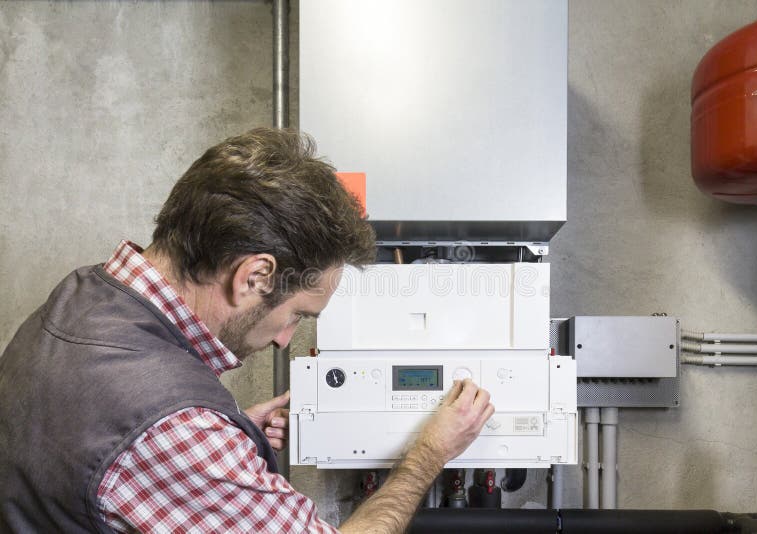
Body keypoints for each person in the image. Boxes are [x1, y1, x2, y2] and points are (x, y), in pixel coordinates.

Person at [0, 128, 495, 533]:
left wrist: (230, 434)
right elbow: (158, 440)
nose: (285, 339)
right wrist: (426, 456)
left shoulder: (81, 294)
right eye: (299, 314)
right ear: (254, 276)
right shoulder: (180, 436)